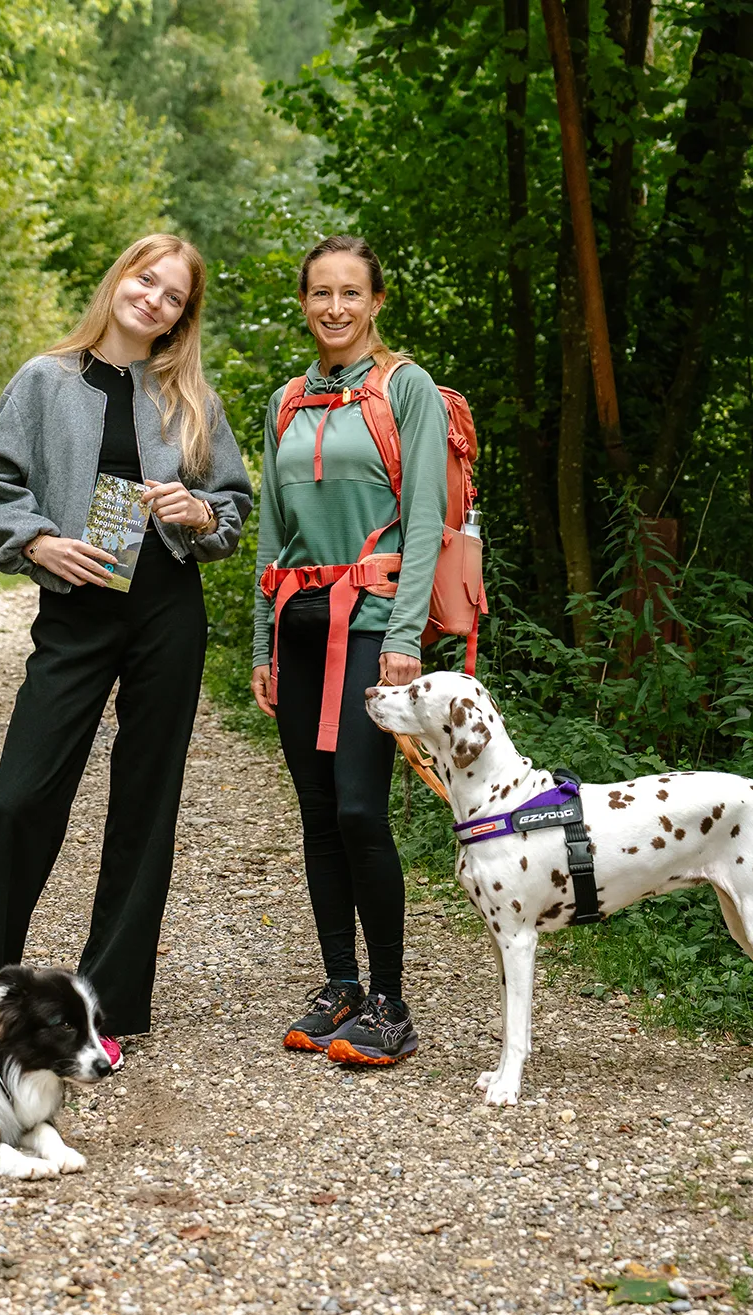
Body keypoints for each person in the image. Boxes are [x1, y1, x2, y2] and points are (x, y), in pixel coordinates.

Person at [0, 233, 253, 1052]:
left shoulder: (188, 397)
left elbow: (229, 504)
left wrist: (200, 515)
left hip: (167, 612)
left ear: (180, 318)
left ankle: (110, 1003)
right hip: (79, 610)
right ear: (119, 278)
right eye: (144, 279)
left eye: (172, 296)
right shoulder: (47, 379)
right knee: (21, 795)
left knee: (144, 806)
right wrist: (37, 541)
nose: (152, 299)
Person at [251, 236, 451, 1067]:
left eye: (350, 293)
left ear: (376, 301)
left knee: (363, 807)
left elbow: (429, 518)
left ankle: (394, 1002)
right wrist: (261, 639)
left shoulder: (406, 390)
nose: (334, 307)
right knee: (319, 811)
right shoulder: (287, 400)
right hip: (299, 622)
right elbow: (271, 528)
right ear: (304, 302)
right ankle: (342, 985)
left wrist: (404, 639)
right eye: (320, 293)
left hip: (373, 625)